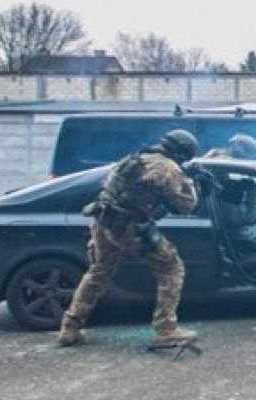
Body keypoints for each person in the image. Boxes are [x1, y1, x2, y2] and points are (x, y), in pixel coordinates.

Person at [57, 129, 202, 348]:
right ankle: (166, 329)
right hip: (128, 226)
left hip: (103, 220)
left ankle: (70, 328)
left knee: (98, 272)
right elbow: (187, 205)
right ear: (182, 154)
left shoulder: (134, 159)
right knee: (171, 268)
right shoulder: (169, 169)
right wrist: (192, 183)